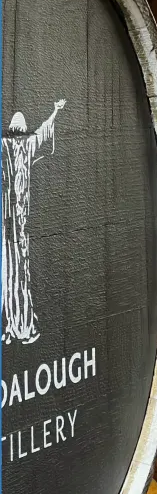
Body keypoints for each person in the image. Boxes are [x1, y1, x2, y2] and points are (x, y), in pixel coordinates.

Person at [2, 99, 66, 345]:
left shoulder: (5, 147)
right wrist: (55, 111)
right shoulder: (27, 146)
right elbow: (43, 132)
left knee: (8, 272)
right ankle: (21, 324)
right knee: (19, 273)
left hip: (7, 226)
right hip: (20, 224)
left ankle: (10, 325)